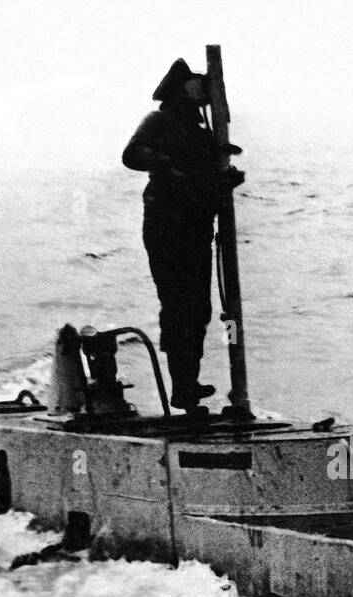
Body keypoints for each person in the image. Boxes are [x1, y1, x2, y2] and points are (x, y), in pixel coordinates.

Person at [122, 58, 243, 412]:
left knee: (200, 309)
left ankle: (188, 385)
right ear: (181, 88)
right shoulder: (160, 120)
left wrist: (223, 178)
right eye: (195, 84)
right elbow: (132, 154)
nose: (202, 90)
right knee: (179, 307)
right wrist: (167, 163)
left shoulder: (202, 130)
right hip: (168, 226)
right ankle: (183, 388)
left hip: (196, 226)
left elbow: (203, 177)